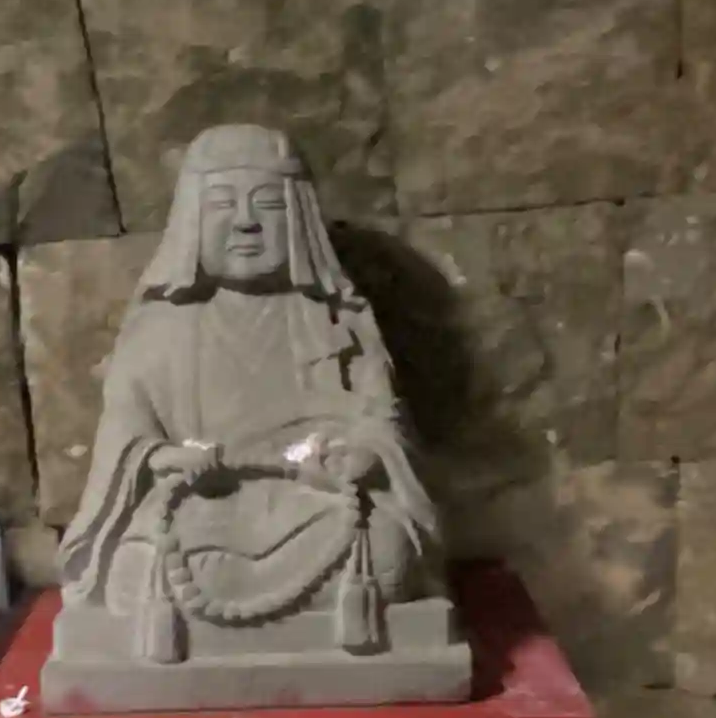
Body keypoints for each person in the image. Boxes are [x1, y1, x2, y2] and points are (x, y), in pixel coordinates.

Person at [56, 124, 440, 661]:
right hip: (201, 507)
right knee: (134, 570)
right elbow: (127, 429)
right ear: (192, 220)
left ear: (299, 219)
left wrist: (363, 453)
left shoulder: (335, 320)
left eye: (269, 205)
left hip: (313, 503)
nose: (246, 223)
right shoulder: (162, 326)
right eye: (222, 205)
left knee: (387, 551)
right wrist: (166, 457)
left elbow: (381, 416)